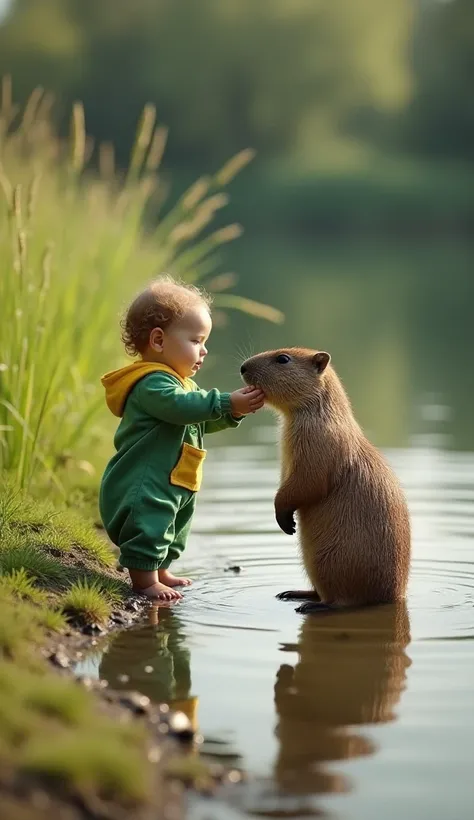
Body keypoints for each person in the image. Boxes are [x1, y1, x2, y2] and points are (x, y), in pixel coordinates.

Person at [99, 276, 265, 601]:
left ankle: (161, 569)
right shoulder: (151, 384)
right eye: (196, 340)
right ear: (158, 340)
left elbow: (198, 420)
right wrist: (226, 401)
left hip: (177, 479)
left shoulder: (183, 385)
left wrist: (235, 412)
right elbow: (182, 408)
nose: (203, 350)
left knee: (174, 527)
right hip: (145, 482)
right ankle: (144, 581)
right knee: (150, 524)